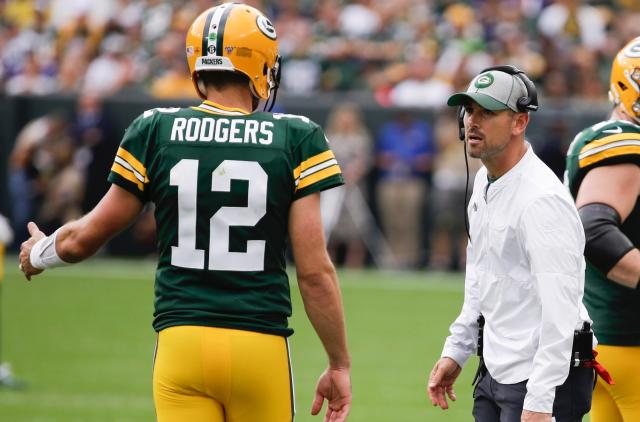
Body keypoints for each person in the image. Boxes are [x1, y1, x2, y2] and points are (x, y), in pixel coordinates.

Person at [19, 4, 351, 422]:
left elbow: (86, 236)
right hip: (258, 341)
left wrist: (39, 252)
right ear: (262, 64)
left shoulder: (156, 128)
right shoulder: (297, 136)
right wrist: (338, 363)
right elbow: (314, 272)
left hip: (182, 341)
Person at [427, 65, 594, 422]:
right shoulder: (486, 182)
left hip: (542, 378)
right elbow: (481, 279)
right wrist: (457, 350)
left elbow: (560, 310)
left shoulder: (540, 200)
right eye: (469, 110)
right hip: (498, 368)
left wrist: (540, 399)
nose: (473, 121)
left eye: (487, 112)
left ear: (520, 122)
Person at [564, 36, 640, 422]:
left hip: (607, 344)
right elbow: (593, 230)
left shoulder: (597, 136)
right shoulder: (625, 143)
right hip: (631, 346)